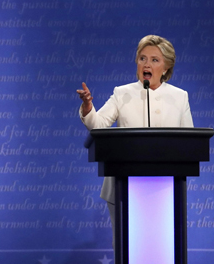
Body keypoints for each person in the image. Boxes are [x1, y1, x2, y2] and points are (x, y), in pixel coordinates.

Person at [76, 34, 194, 234]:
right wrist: (88, 106)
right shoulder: (122, 93)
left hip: (165, 188)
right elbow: (98, 125)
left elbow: (190, 143)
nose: (146, 64)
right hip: (122, 185)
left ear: (165, 68)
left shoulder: (179, 97)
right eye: (142, 58)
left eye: (154, 60)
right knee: (124, 247)